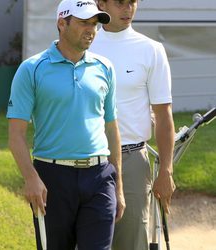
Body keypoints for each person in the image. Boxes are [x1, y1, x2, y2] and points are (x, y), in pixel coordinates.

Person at [6, 0, 126, 249]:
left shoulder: (105, 68)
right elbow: (16, 135)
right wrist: (31, 178)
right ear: (62, 23)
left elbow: (112, 128)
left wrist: (119, 187)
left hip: (99, 177)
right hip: (53, 179)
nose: (91, 29)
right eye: (84, 22)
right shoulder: (32, 69)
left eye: (95, 24)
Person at [90, 0, 176, 249]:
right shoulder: (84, 44)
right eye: (119, 3)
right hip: (85, 158)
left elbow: (163, 115)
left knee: (131, 242)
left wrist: (166, 171)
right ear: (101, 3)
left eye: (132, 2)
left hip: (132, 161)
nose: (127, 9)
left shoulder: (152, 49)